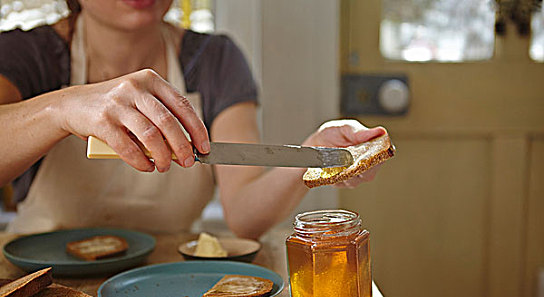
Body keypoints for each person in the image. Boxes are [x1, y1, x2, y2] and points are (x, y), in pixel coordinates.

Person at [0, 0, 386, 239]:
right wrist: (61, 109)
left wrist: (311, 154)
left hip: (169, 284)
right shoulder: (24, 54)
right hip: (41, 282)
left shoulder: (216, 59)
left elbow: (245, 218)